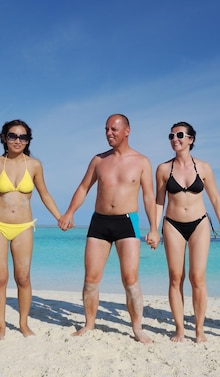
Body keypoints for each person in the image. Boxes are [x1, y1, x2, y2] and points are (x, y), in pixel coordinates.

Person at [58, 114, 160, 344]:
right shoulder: (98, 160)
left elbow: (148, 196)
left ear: (127, 131)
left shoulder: (141, 161)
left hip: (127, 221)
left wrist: (154, 228)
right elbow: (84, 187)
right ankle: (89, 323)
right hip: (100, 222)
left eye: (114, 129)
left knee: (130, 278)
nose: (109, 133)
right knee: (91, 278)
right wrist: (69, 212)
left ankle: (137, 328)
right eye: (106, 129)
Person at [0, 120, 62, 339]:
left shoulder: (34, 165)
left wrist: (60, 217)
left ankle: (23, 324)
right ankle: (1, 327)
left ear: (28, 140)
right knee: (0, 278)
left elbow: (44, 193)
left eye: (22, 137)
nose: (17, 140)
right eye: (13, 136)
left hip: (24, 226)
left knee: (23, 278)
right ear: (4, 138)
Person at [155, 122, 220, 343]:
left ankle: (199, 330)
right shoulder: (163, 169)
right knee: (175, 278)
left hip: (199, 223)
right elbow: (159, 201)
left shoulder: (204, 167)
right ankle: (179, 329)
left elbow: (216, 198)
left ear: (191, 139)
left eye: (180, 135)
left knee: (197, 277)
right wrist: (154, 228)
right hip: (172, 224)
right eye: (171, 135)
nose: (175, 139)